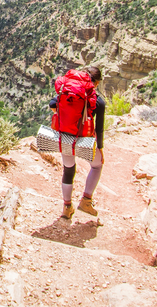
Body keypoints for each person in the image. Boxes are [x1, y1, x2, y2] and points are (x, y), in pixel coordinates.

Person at [49, 65, 105, 220]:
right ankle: (86, 200)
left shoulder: (67, 91)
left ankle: (67, 207)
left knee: (68, 170)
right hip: (84, 140)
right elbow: (99, 130)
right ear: (96, 83)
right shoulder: (98, 101)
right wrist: (100, 148)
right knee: (97, 165)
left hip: (66, 136)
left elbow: (52, 104)